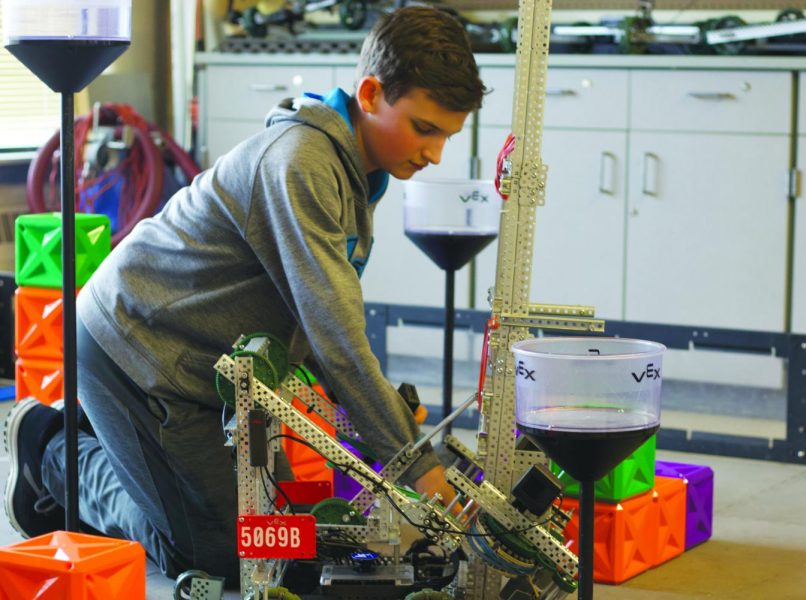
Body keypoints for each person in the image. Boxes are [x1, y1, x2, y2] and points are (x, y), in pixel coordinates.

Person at [4, 6, 485, 585]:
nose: (435, 154)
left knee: (283, 535)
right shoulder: (301, 164)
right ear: (371, 92)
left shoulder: (357, 171)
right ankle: (53, 448)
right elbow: (336, 332)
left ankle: (103, 445)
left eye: (447, 137)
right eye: (426, 128)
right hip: (139, 352)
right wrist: (416, 464)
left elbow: (311, 315)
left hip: (219, 373)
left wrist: (383, 413)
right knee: (219, 555)